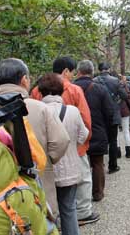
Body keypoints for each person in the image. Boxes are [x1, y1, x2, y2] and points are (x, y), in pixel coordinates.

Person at [0, 58, 70, 217]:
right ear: (24, 80)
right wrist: (47, 160)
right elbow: (61, 141)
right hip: (36, 182)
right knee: (40, 221)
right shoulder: (39, 108)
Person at [30, 56, 97, 225]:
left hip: (42, 154)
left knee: (47, 197)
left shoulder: (36, 92)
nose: (73, 75)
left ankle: (54, 223)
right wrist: (80, 144)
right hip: (72, 149)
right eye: (72, 72)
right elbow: (86, 122)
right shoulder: (74, 90)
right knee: (79, 186)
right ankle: (83, 213)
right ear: (66, 71)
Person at [38, 73, 89, 235]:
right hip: (70, 169)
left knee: (47, 213)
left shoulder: (36, 111)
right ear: (61, 90)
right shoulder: (72, 111)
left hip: (46, 172)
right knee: (69, 209)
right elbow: (84, 134)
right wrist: (72, 146)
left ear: (41, 91)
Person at [74, 60, 115, 203]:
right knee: (98, 163)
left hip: (76, 133)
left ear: (78, 72)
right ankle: (97, 193)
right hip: (97, 130)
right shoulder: (100, 89)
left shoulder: (70, 89)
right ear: (92, 73)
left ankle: (78, 196)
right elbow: (110, 112)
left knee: (77, 162)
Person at [94, 62, 128, 174]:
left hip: (99, 115)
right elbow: (124, 96)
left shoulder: (94, 81)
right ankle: (113, 166)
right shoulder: (115, 81)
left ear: (99, 69)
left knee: (99, 139)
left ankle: (98, 165)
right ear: (109, 69)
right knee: (113, 141)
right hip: (113, 114)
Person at [118, 74, 130, 158]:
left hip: (115, 111)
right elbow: (129, 97)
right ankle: (128, 153)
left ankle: (117, 153)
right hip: (125, 110)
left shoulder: (112, 85)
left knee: (116, 133)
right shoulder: (125, 86)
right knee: (126, 131)